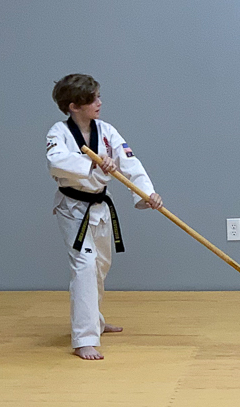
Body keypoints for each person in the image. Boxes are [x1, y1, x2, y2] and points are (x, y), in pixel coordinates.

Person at [46, 74, 163, 360]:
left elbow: (130, 162)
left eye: (98, 96)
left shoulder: (107, 131)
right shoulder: (58, 133)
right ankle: (84, 338)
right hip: (73, 209)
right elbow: (56, 161)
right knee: (85, 267)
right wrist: (93, 162)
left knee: (100, 265)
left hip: (99, 207)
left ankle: (94, 322)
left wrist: (147, 194)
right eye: (92, 99)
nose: (99, 103)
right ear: (74, 106)